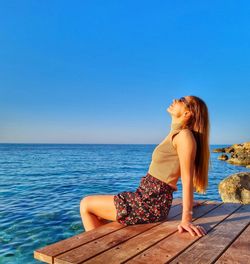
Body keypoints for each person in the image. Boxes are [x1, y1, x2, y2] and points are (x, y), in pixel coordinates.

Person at [80, 95, 210, 237]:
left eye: (181, 100)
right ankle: (107, 247)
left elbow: (187, 178)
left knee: (86, 205)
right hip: (145, 198)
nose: (175, 100)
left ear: (187, 113)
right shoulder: (176, 134)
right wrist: (190, 203)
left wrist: (187, 218)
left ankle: (98, 250)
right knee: (98, 215)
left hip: (150, 204)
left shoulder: (184, 136)